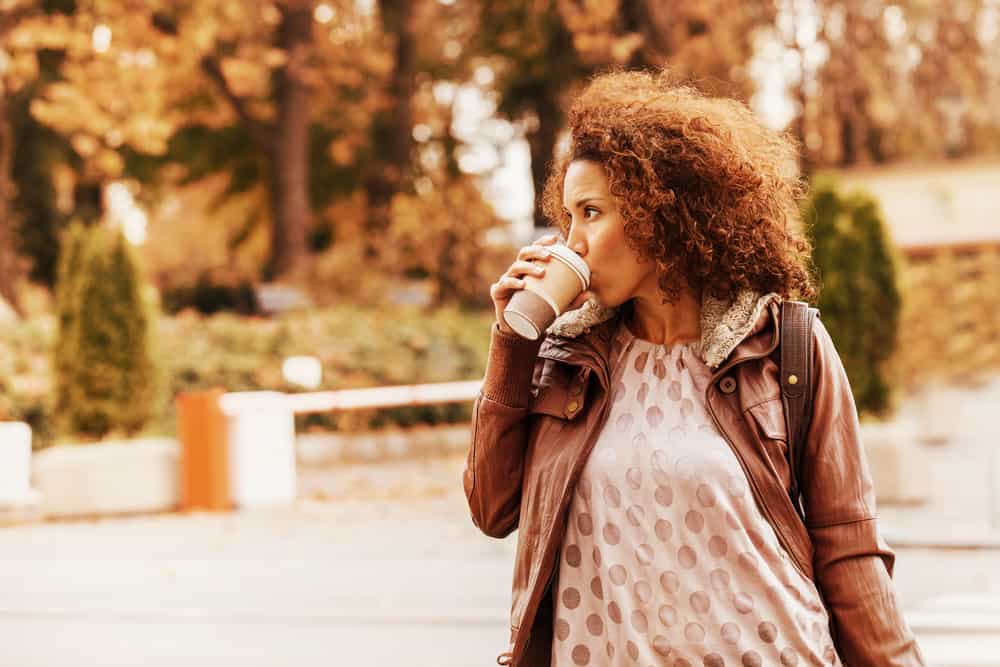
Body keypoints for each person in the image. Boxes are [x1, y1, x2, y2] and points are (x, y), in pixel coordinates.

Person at [463, 68, 925, 667]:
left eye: (592, 212)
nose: (570, 241)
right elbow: (491, 507)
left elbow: (849, 548)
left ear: (662, 215)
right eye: (568, 216)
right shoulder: (565, 360)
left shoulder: (785, 347)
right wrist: (512, 342)